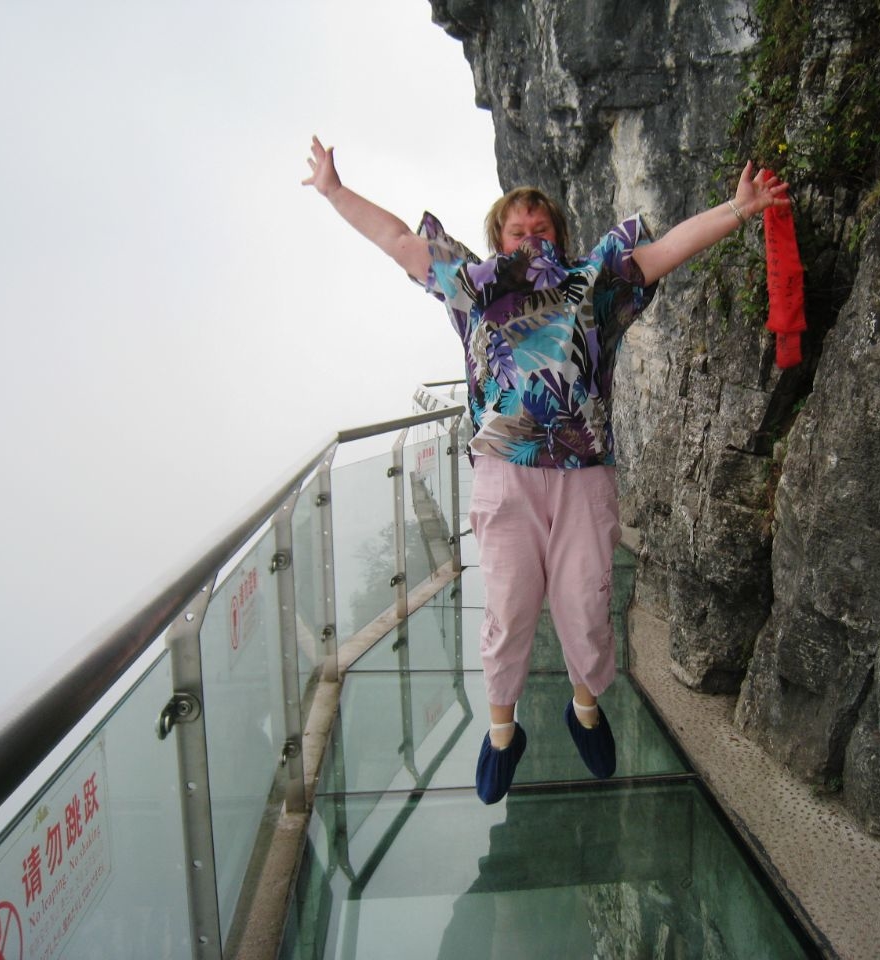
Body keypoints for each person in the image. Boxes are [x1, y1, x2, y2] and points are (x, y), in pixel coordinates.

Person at [303, 136, 788, 803]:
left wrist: (737, 212)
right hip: (507, 471)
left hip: (586, 473)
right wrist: (333, 190)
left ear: (558, 232)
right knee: (507, 609)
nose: (529, 234)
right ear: (498, 238)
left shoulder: (595, 282)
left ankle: (584, 709)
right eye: (516, 227)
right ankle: (503, 732)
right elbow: (394, 238)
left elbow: (667, 249)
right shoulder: (474, 287)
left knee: (586, 603)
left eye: (541, 225)